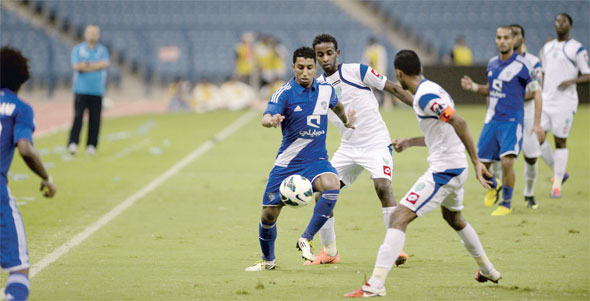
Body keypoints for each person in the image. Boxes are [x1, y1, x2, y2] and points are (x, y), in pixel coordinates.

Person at [345, 49, 500, 298]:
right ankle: (487, 269)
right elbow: (441, 133)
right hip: (454, 165)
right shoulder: (435, 89)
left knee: (398, 217)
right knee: (454, 219)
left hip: (445, 171)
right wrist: (410, 141)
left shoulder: (426, 97)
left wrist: (477, 162)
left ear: (399, 73)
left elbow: (458, 122)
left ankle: (375, 284)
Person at [245, 46, 356, 271]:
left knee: (332, 185)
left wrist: (346, 120)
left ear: (315, 68)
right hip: (287, 163)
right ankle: (268, 262)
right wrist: (271, 120)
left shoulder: (326, 88)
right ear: (293, 67)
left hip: (317, 160)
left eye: (309, 68)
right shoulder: (284, 92)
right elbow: (266, 117)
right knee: (268, 215)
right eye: (300, 68)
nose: (305, 73)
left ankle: (306, 238)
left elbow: (337, 105)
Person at [308, 33, 413, 266]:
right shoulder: (318, 88)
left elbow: (394, 89)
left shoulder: (358, 71)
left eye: (329, 53)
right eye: (320, 55)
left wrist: (420, 105)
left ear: (338, 53)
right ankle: (330, 252)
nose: (325, 58)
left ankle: (394, 249)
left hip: (376, 143)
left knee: (382, 186)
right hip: (348, 148)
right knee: (322, 194)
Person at [461, 24, 544, 209]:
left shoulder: (523, 66)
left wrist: (537, 123)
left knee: (507, 161)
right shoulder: (492, 64)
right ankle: (495, 185)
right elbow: (492, 90)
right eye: (499, 38)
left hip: (512, 120)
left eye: (506, 38)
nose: (503, 41)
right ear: (495, 40)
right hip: (492, 120)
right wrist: (473, 87)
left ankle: (506, 204)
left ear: (513, 40)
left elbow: (537, 92)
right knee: (481, 166)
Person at [1, 46, 57, 301]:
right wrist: (46, 178)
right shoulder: (20, 108)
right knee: (19, 269)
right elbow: (25, 148)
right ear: (22, 78)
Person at [538, 13, 590, 198]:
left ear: (570, 26)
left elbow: (587, 74)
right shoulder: (547, 47)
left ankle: (557, 185)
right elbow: (543, 73)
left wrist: (571, 81)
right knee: (536, 137)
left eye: (564, 21)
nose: (560, 24)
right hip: (546, 100)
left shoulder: (577, 49)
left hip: (565, 102)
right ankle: (559, 171)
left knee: (560, 141)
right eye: (557, 21)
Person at [67, 24, 110, 156]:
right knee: (78, 116)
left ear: (98, 35)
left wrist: (87, 65)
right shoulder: (78, 49)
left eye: (95, 33)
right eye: (90, 32)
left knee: (95, 119)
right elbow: (77, 66)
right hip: (81, 89)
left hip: (97, 90)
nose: (92, 35)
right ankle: (73, 143)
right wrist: (95, 66)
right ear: (85, 34)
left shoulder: (103, 50)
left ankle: (91, 145)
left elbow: (105, 64)